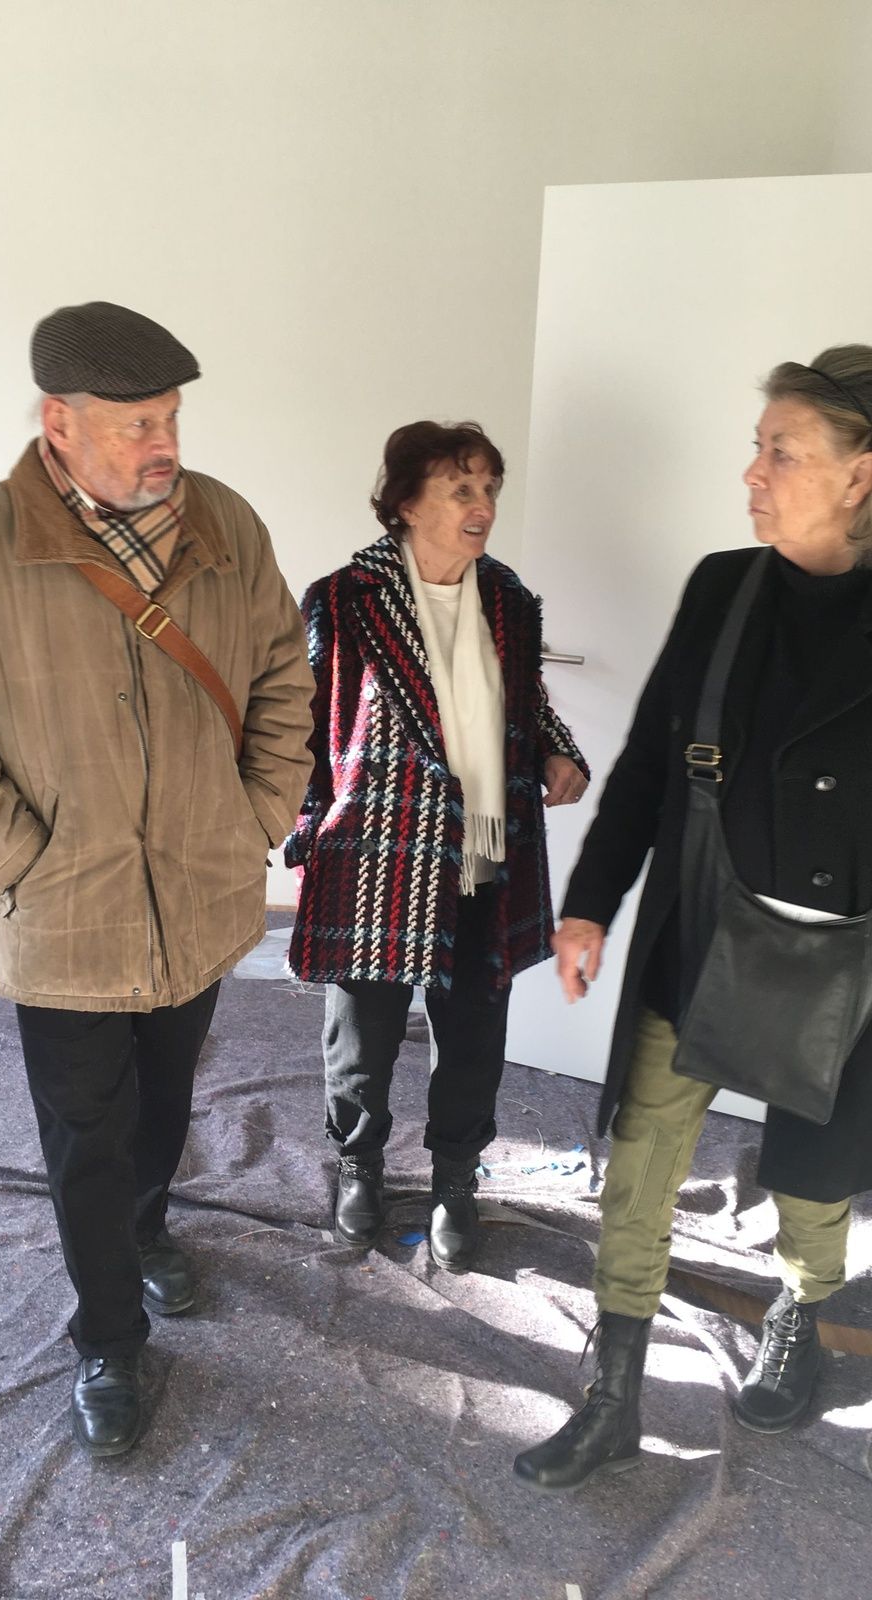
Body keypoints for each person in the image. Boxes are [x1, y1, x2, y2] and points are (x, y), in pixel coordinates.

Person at [514, 345, 872, 1490]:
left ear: (863, 472)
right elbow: (647, 768)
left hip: (854, 971)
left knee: (813, 1179)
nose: (753, 473)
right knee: (641, 1160)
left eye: (782, 452)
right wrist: (590, 904)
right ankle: (613, 1395)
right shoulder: (726, 587)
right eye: (759, 448)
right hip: (704, 936)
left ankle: (802, 1322)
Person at [0, 301, 314, 1457]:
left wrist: (256, 815)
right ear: (58, 422)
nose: (163, 444)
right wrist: (22, 862)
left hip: (200, 892)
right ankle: (109, 1336)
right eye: (135, 425)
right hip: (64, 916)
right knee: (86, 1127)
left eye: (170, 418)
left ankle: (149, 1225)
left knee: (165, 1099)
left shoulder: (224, 523)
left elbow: (284, 674)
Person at [284, 421, 589, 1271]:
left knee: (475, 1028)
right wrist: (304, 822)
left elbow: (526, 701)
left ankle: (457, 1175)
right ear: (407, 504)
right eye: (461, 489)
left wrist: (558, 749)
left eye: (489, 488)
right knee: (365, 1030)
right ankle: (359, 1163)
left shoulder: (508, 598)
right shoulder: (345, 597)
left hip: (484, 838)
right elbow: (303, 718)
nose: (482, 505)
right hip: (377, 840)